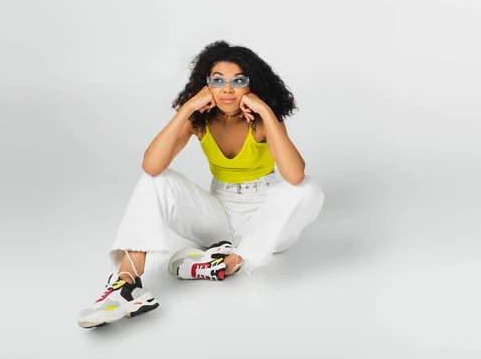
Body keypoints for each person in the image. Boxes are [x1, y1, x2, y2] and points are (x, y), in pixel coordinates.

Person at [77, 40, 325, 329]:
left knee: (309, 189)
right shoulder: (200, 121)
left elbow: (294, 176)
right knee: (155, 181)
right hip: (219, 213)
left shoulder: (262, 122)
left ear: (252, 86)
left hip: (266, 221)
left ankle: (233, 260)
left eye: (238, 81)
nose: (228, 89)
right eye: (218, 81)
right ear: (206, 85)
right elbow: (151, 165)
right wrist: (187, 109)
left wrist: (267, 113)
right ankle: (126, 285)